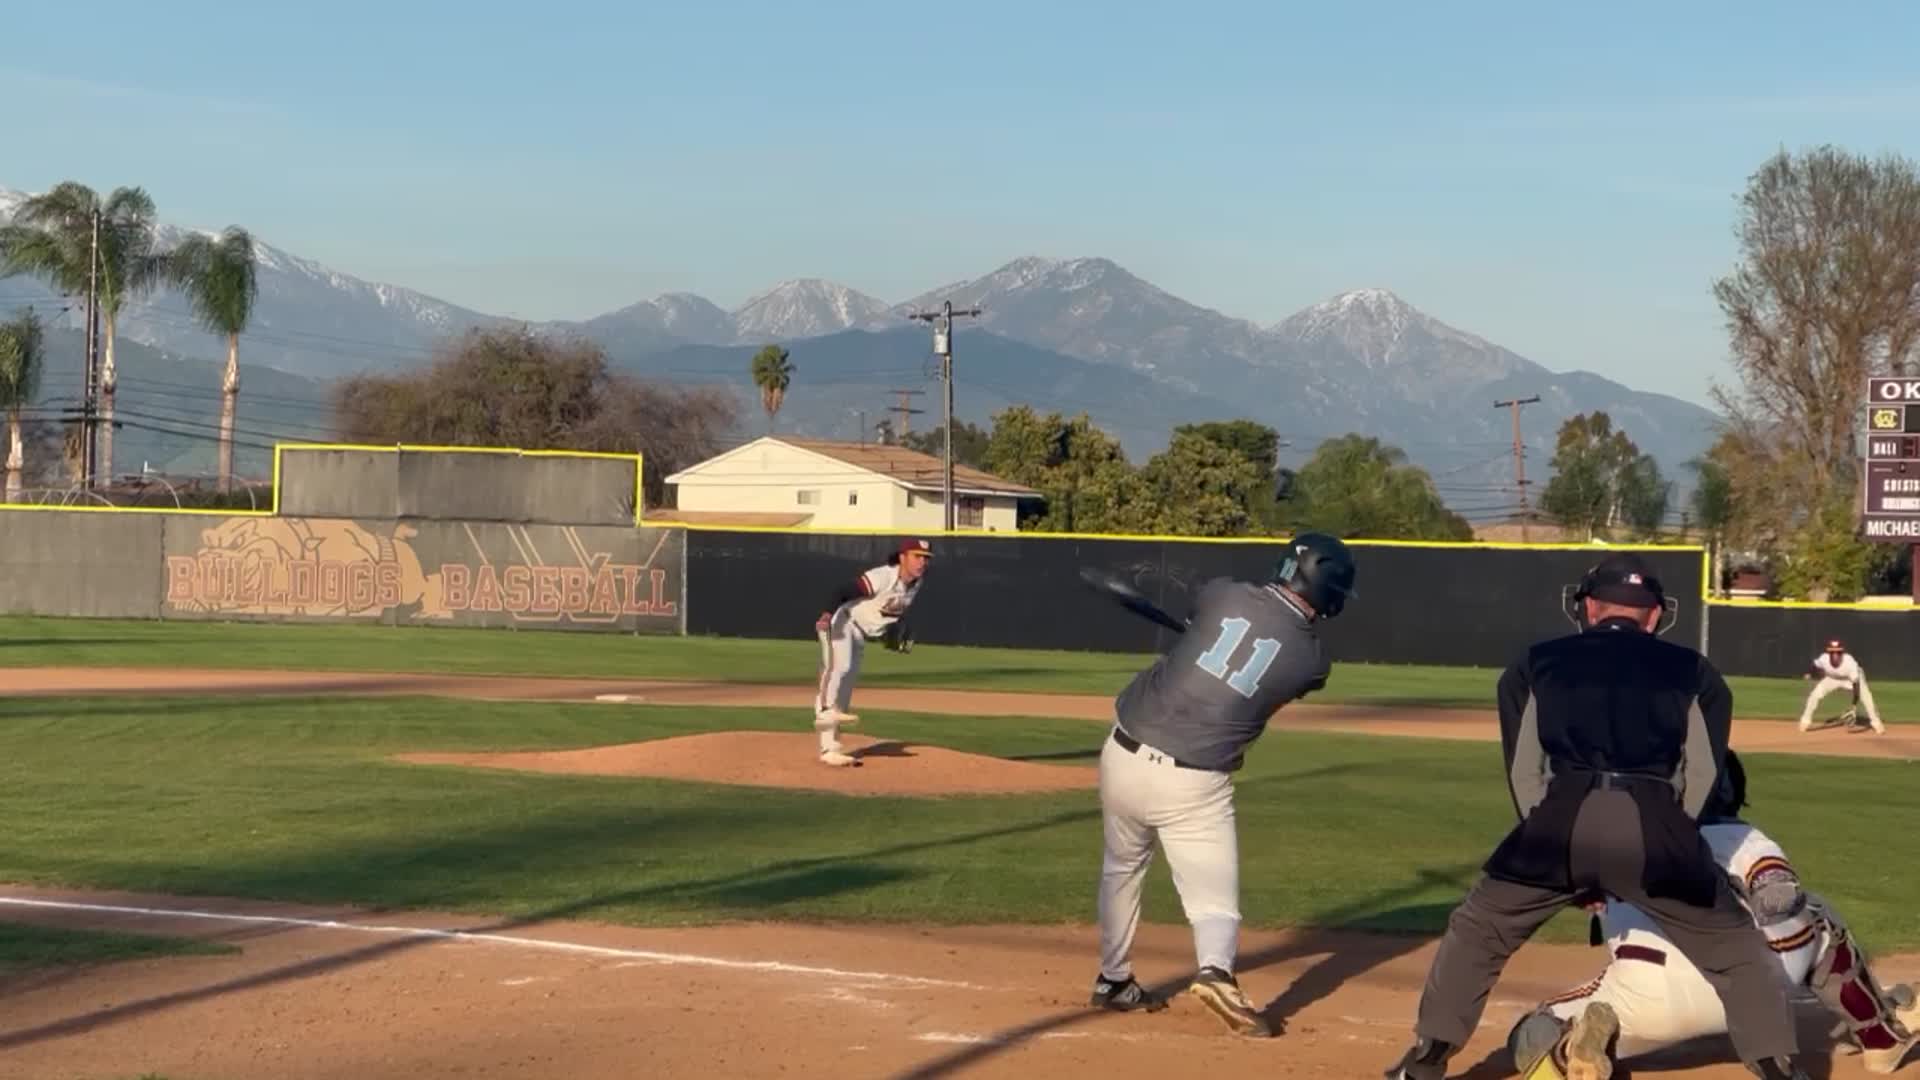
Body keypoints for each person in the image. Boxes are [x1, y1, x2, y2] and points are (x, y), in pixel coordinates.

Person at [1385, 553, 1810, 1080]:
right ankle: (1776, 1066)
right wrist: (1674, 835)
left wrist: (1552, 841)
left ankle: (1425, 1062)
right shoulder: (1695, 672)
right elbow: (1701, 773)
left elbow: (1525, 772)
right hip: (1655, 821)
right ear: (1655, 616)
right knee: (1739, 952)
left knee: (1480, 930)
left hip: (1559, 815)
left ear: (1586, 608)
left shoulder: (1535, 663)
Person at [1506, 750, 1918, 1078]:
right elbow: (1778, 892)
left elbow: (1575, 894)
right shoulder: (1743, 835)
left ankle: (1567, 1054)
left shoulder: (1621, 839)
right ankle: (1880, 1037)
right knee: (1820, 916)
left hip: (1650, 997)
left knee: (1534, 1025)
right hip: (1757, 983)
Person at [1091, 533, 1356, 1038]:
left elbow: (1215, 623)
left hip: (1121, 753)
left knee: (1121, 868)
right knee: (1212, 898)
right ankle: (1215, 971)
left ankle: (1114, 978)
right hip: (1193, 781)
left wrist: (1203, 635)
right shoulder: (1313, 663)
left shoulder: (1225, 593)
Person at [812, 538, 931, 768]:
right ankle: (824, 709)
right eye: (917, 556)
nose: (922, 562)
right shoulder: (883, 576)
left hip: (860, 633)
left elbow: (886, 611)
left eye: (926, 558)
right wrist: (827, 614)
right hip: (842, 621)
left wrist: (889, 631)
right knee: (840, 667)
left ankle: (830, 749)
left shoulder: (916, 583)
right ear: (902, 557)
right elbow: (843, 590)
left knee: (846, 689)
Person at [1799, 638, 1885, 734]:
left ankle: (1876, 723)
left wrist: (1854, 706)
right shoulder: (1824, 659)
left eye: (1838, 652)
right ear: (1829, 653)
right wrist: (1810, 673)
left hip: (1850, 680)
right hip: (1832, 678)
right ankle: (1805, 721)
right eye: (1832, 652)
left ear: (1842, 653)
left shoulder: (1849, 663)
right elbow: (1815, 666)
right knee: (1814, 695)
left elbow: (1856, 686)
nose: (1835, 655)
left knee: (1867, 698)